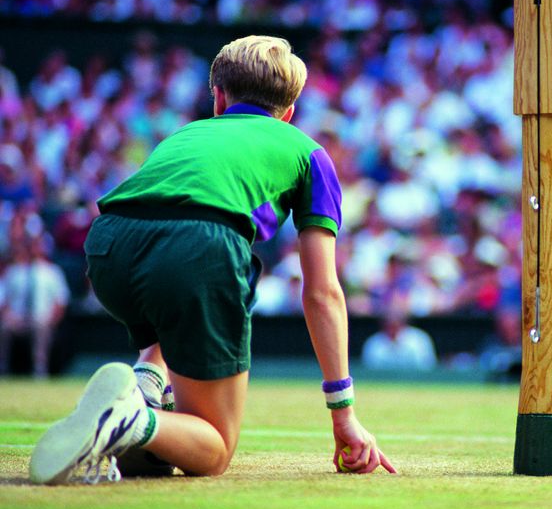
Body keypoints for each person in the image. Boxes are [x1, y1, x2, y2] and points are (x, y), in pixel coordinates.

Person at [29, 35, 396, 484]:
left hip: (107, 246)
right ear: (289, 113)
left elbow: (157, 222)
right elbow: (322, 291)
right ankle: (130, 418)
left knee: (185, 309)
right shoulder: (309, 153)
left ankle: (144, 384)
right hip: (198, 250)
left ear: (218, 98)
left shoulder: (186, 133)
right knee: (213, 449)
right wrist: (344, 415)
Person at [0, 236, 70, 377]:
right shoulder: (14, 271)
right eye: (31, 246)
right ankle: (3, 368)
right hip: (17, 319)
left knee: (40, 326)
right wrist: (10, 317)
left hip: (41, 318)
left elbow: (61, 302)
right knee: (4, 327)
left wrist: (50, 321)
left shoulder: (53, 272)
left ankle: (39, 370)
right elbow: (4, 301)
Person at [361, 298, 437, 372]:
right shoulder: (373, 343)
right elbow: (369, 370)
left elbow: (427, 368)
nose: (392, 330)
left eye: (395, 326)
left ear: (403, 323)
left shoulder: (419, 340)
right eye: (389, 326)